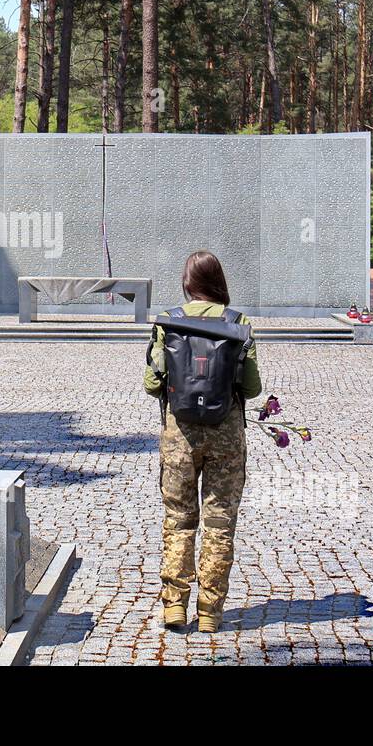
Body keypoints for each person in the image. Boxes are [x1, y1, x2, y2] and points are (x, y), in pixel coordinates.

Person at [143, 250, 261, 633]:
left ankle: (174, 605)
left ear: (187, 283)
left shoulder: (170, 323)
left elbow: (151, 384)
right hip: (226, 438)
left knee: (178, 520)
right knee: (220, 523)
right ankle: (210, 611)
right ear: (218, 281)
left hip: (180, 436)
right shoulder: (238, 323)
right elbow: (253, 387)